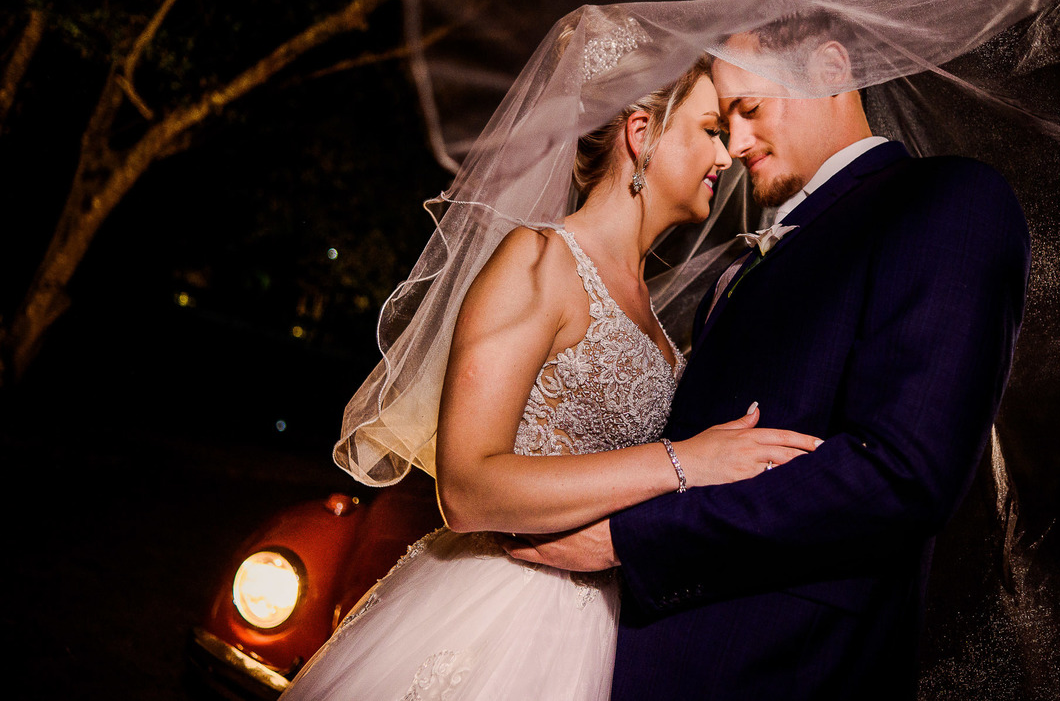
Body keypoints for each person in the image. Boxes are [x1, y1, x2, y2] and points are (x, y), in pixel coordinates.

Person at [507, 15, 1033, 699]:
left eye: (750, 110)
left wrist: (631, 539)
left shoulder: (947, 200)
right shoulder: (739, 266)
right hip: (636, 658)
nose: (737, 146)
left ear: (832, 71)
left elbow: (902, 473)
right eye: (725, 124)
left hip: (788, 670)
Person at [281, 48, 820, 700]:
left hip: (604, 631)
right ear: (640, 133)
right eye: (710, 128)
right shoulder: (537, 260)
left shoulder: (661, 316)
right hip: (495, 616)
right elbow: (467, 487)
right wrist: (683, 461)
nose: (728, 153)